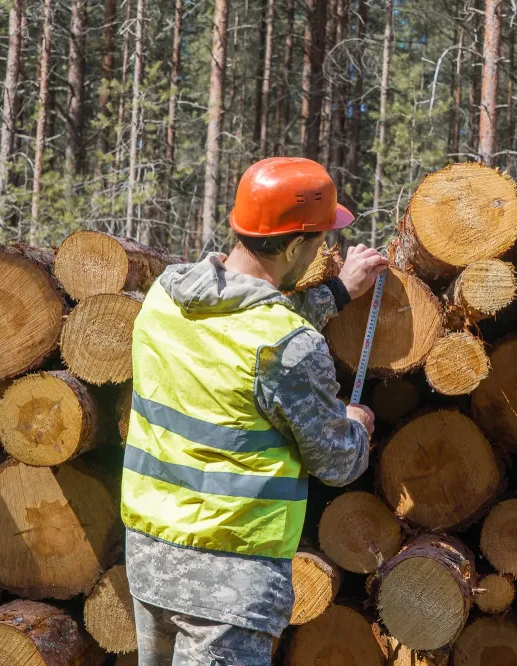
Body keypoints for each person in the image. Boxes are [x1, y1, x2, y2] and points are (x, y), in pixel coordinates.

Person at [121, 157, 389, 666]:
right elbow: (337, 463)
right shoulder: (287, 346)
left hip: (151, 560)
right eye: (318, 241)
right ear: (293, 247)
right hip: (229, 584)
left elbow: (244, 322)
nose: (321, 250)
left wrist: (335, 293)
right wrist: (355, 426)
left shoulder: (165, 297)